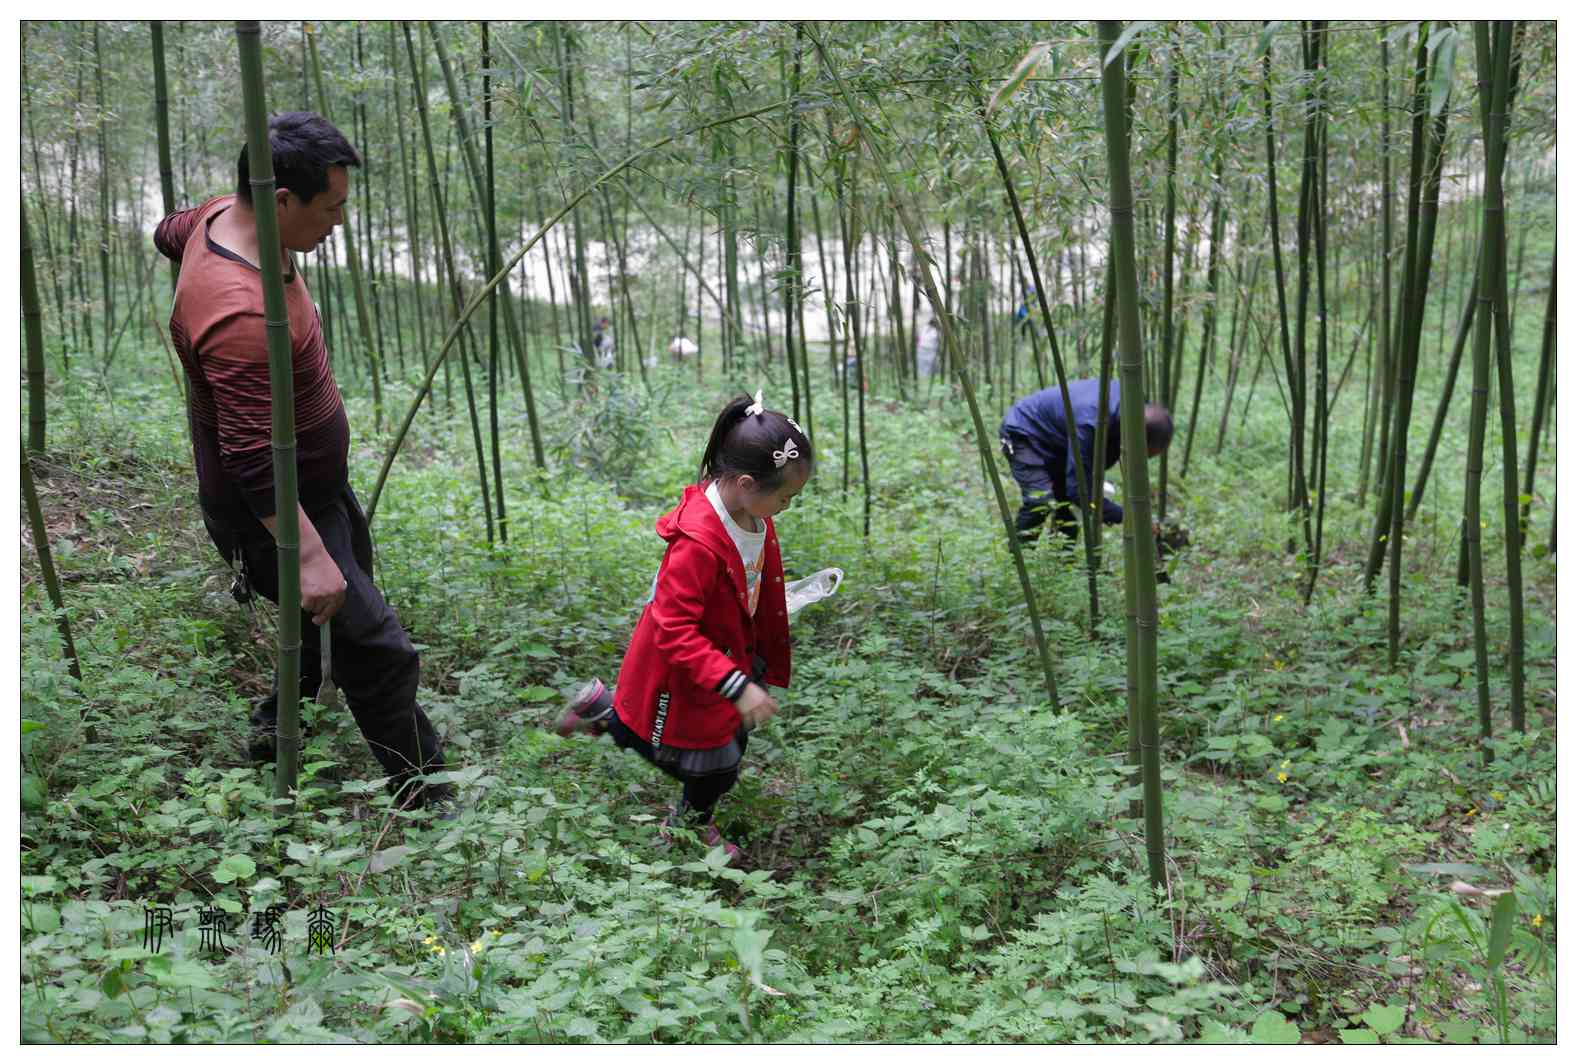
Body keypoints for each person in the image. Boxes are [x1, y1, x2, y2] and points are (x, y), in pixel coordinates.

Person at [153, 112, 450, 807]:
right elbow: (253, 458)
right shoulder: (240, 313)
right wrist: (308, 556)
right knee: (376, 647)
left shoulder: (219, 216)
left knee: (326, 626)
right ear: (282, 201)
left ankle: (275, 727)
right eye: (331, 207)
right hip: (275, 512)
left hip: (314, 486)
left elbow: (166, 229)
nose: (340, 221)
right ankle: (428, 799)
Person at [555, 391, 813, 862]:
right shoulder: (696, 543)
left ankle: (606, 714)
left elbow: (745, 576)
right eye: (785, 498)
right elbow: (674, 628)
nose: (787, 507)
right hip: (689, 667)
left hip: (729, 656)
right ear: (746, 483)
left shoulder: (751, 513)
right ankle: (685, 820)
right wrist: (735, 685)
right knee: (707, 762)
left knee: (729, 742)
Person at [999, 378, 1172, 543]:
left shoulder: (1134, 404)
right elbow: (1078, 491)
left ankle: (1060, 561)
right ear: (1137, 440)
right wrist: (1124, 516)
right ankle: (1020, 557)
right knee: (1040, 500)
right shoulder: (1091, 424)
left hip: (1059, 440)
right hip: (1024, 433)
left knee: (1066, 513)